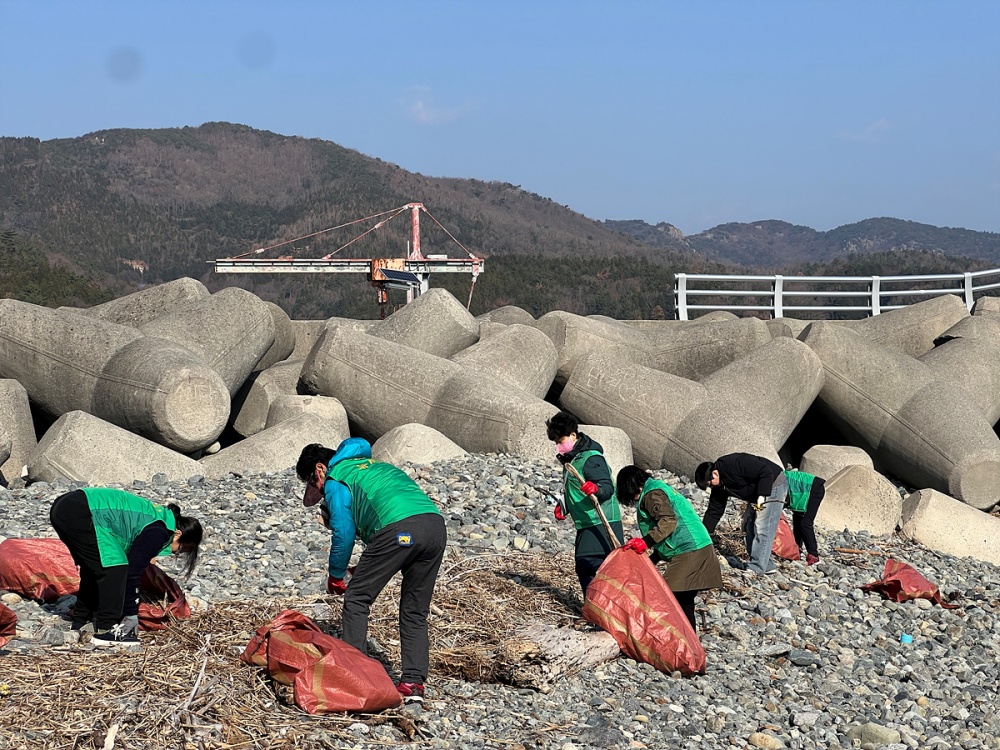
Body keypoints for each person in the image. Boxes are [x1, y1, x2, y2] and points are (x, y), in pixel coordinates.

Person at [297, 438, 447, 704]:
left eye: (312, 483)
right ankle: (413, 683)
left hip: (399, 529)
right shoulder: (372, 465)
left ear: (319, 469)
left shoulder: (335, 477)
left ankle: (357, 680)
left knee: (356, 599)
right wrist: (360, 569)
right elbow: (386, 543)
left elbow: (344, 533)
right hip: (434, 527)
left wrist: (335, 576)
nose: (319, 491)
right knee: (414, 610)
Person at [49, 488, 202, 648]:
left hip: (66, 506)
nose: (177, 553)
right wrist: (131, 615)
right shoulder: (160, 530)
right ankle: (107, 628)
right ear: (177, 534)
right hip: (79, 511)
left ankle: (80, 621)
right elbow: (132, 571)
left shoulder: (158, 519)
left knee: (96, 567)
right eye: (183, 548)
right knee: (115, 567)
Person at [616, 465, 722, 631]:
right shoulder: (658, 488)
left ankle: (676, 639)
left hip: (691, 550)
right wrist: (653, 558)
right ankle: (689, 641)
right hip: (700, 546)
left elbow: (668, 522)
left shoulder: (652, 495)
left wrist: (645, 542)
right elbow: (671, 533)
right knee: (684, 600)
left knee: (667, 597)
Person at [545, 411, 624, 598]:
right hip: (585, 522)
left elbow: (607, 487)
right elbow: (574, 489)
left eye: (560, 441)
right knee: (586, 566)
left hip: (602, 522)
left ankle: (600, 607)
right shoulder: (572, 460)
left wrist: (596, 488)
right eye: (556, 442)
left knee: (591, 564)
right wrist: (564, 505)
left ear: (573, 435)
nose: (558, 446)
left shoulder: (591, 458)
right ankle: (597, 607)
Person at [694, 453, 788, 575]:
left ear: (715, 473)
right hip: (756, 493)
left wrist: (762, 495)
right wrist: (704, 536)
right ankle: (767, 565)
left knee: (763, 526)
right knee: (748, 526)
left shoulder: (733, 464)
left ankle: (756, 568)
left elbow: (765, 471)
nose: (711, 488)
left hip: (773, 483)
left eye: (710, 484)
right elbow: (714, 511)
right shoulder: (719, 487)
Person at [783, 469, 825, 565]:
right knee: (797, 520)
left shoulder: (778, 482)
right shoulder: (777, 478)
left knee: (805, 523)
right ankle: (796, 550)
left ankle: (813, 555)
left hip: (815, 489)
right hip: (803, 492)